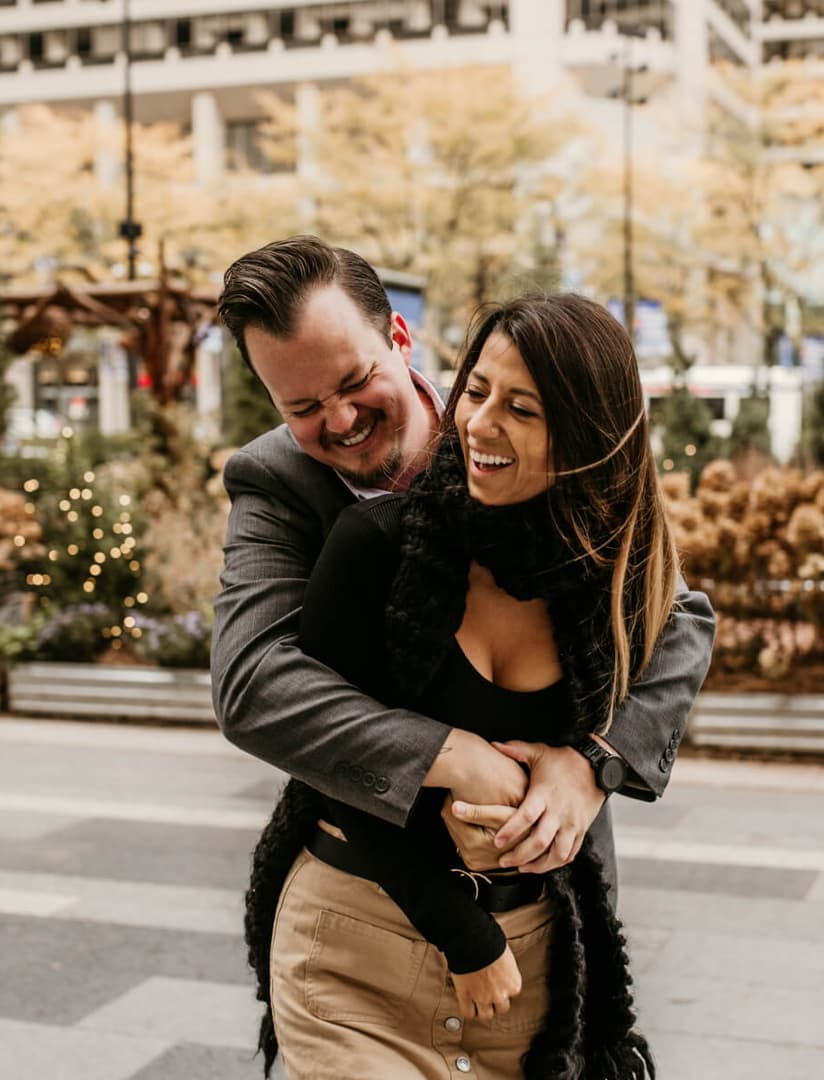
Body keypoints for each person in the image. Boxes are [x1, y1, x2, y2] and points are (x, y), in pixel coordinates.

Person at [211, 238, 715, 1067]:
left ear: (400, 338)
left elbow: (677, 610)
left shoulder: (510, 412)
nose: (339, 420)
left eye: (354, 381)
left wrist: (593, 763)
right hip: (369, 898)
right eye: (301, 406)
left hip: (540, 910)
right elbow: (256, 684)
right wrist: (457, 759)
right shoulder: (282, 486)